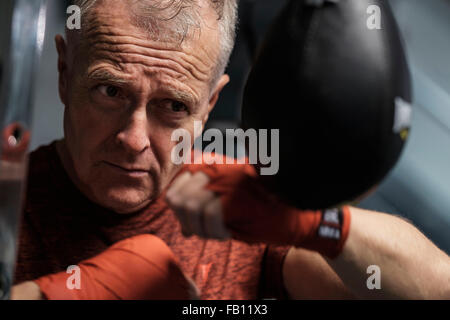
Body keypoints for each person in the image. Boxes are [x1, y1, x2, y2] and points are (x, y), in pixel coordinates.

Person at [11, 0, 450, 300]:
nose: (134, 137)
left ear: (209, 107)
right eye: (111, 90)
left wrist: (316, 225)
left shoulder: (237, 209)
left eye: (173, 106)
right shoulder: (9, 207)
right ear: (65, 71)